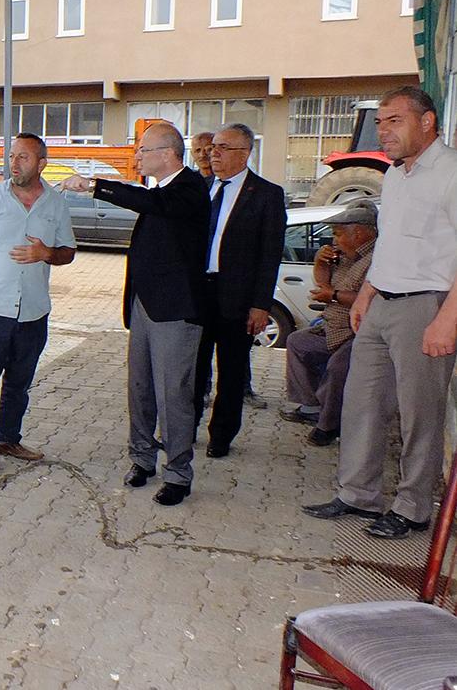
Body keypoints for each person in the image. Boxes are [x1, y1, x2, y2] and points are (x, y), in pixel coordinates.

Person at [303, 86, 457, 539]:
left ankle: (412, 508)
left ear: (427, 121)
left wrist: (447, 319)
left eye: (394, 121)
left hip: (426, 307)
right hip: (382, 303)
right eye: (381, 121)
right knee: (362, 402)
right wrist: (367, 292)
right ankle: (358, 495)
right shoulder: (394, 176)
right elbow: (386, 243)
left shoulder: (451, 171)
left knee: (419, 413)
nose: (383, 131)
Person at [62, 123, 208, 505]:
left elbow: (151, 204)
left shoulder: (189, 189)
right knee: (140, 388)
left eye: (143, 150)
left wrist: (96, 185)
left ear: (168, 153)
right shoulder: (160, 190)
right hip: (144, 305)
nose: (138, 156)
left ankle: (178, 473)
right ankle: (142, 458)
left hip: (175, 310)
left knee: (172, 394)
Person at [0, 133, 77, 474]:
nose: (14, 163)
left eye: (23, 157)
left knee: (19, 383)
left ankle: (8, 438)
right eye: (12, 156)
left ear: (41, 164)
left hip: (34, 311)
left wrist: (45, 253)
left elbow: (68, 251)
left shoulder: (56, 203)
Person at [192, 123, 286, 458]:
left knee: (230, 371)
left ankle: (221, 436)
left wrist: (260, 304)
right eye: (212, 146)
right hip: (198, 294)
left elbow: (270, 254)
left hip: (237, 297)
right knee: (193, 367)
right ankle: (185, 429)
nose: (212, 153)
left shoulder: (266, 195)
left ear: (245, 153)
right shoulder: (200, 189)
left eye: (222, 148)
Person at [279, 202, 376, 446]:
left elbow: (368, 299)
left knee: (338, 367)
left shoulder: (377, 259)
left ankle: (329, 425)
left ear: (360, 233)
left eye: (338, 233)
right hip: (332, 326)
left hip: (359, 332)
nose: (334, 240)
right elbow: (323, 287)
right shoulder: (344, 255)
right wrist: (320, 264)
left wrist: (333, 296)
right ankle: (312, 407)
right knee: (298, 342)